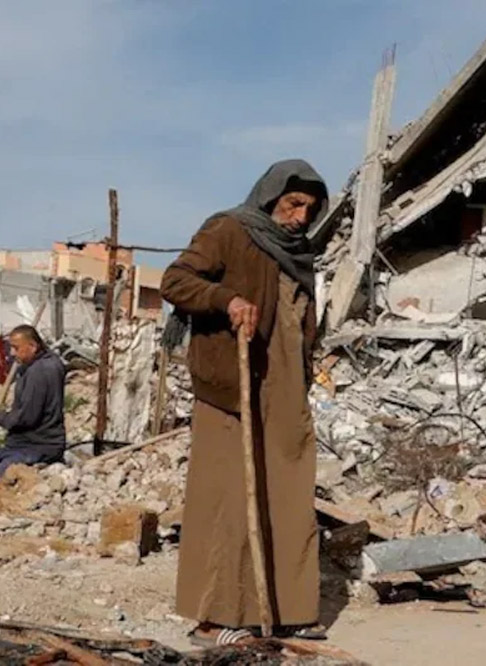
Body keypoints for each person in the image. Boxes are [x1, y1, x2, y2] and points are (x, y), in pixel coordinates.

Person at [161, 159, 328, 647]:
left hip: (286, 387)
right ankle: (214, 617)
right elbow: (175, 280)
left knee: (289, 493)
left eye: (309, 209)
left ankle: (287, 610)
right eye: (293, 204)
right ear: (271, 196)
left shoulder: (298, 253)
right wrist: (227, 300)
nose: (300, 217)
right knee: (227, 497)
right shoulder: (229, 229)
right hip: (234, 384)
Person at [0, 325, 66, 482]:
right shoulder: (42, 364)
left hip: (38, 445)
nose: (12, 353)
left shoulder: (39, 371)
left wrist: (0, 418)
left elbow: (26, 417)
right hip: (26, 443)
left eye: (16, 348)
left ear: (32, 346)